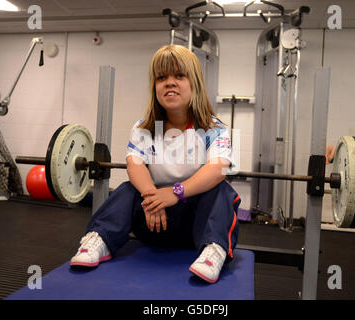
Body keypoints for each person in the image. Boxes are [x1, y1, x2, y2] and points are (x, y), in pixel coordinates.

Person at [69, 44, 241, 284]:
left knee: (221, 191)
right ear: (155, 87)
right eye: (162, 77)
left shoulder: (215, 128)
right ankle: (100, 239)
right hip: (155, 221)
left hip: (196, 227)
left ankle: (214, 251)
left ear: (195, 84)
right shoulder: (143, 127)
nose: (169, 82)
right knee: (128, 189)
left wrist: (174, 193)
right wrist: (153, 197)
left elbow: (218, 169)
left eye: (179, 75)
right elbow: (135, 165)